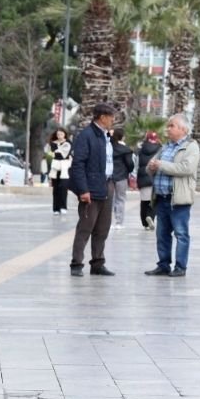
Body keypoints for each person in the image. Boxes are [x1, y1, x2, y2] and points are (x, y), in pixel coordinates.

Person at [144, 114, 198, 278]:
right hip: (161, 197)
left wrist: (161, 165)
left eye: (171, 126)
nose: (168, 129)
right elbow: (150, 166)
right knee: (162, 233)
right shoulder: (166, 146)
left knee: (181, 233)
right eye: (168, 126)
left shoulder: (191, 147)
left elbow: (186, 168)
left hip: (178, 199)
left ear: (183, 129)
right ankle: (163, 265)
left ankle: (180, 267)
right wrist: (152, 167)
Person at [68, 103, 118, 277]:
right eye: (111, 117)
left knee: (103, 228)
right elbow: (78, 164)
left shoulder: (106, 136)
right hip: (91, 188)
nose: (113, 120)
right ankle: (77, 263)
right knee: (85, 227)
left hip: (107, 185)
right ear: (102, 117)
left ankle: (98, 263)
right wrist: (83, 190)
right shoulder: (87, 135)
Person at [109, 128, 134, 229]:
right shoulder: (126, 150)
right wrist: (128, 171)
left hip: (109, 177)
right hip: (122, 177)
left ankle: (108, 222)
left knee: (109, 200)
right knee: (120, 199)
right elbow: (130, 164)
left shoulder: (107, 148)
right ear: (122, 137)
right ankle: (119, 222)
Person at [136, 131, 161, 230]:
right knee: (154, 200)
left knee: (144, 201)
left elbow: (136, 164)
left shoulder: (141, 149)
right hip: (154, 177)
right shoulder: (160, 149)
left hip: (143, 178)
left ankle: (144, 223)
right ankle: (150, 216)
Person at [47, 128, 72, 215]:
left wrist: (57, 152)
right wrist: (57, 152)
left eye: (61, 134)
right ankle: (56, 208)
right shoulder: (53, 143)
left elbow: (63, 154)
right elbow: (53, 153)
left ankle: (63, 207)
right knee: (56, 188)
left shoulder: (68, 143)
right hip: (55, 168)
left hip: (65, 168)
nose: (59, 136)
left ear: (64, 134)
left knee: (63, 187)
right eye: (58, 134)